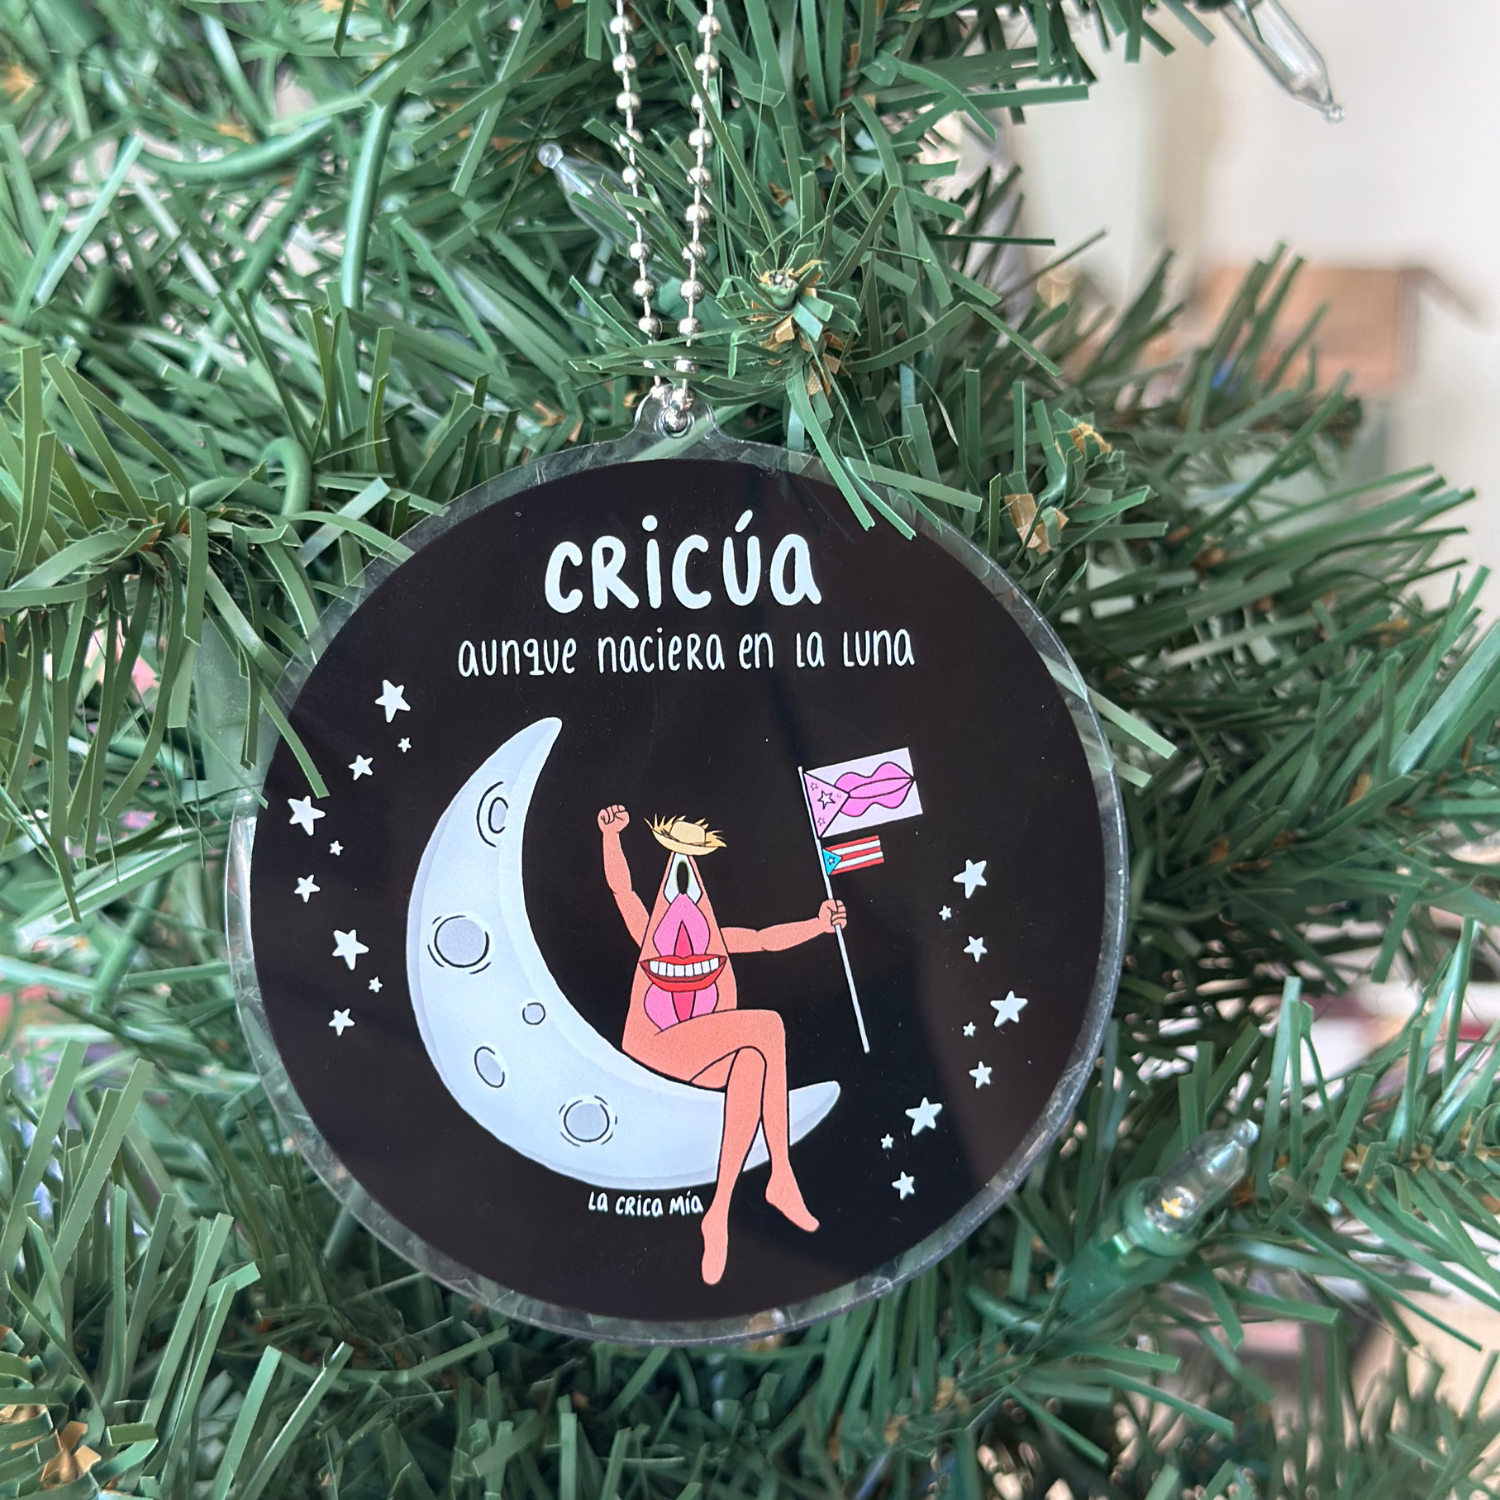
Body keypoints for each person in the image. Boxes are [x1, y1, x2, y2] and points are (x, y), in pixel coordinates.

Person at [597, 805, 847, 1285]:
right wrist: (611, 836)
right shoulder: (647, 934)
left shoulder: (718, 940)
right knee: (766, 1027)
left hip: (700, 1056)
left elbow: (766, 940)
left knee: (750, 1062)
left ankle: (719, 1210)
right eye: (678, 875)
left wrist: (818, 925)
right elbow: (622, 890)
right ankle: (782, 1172)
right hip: (653, 1049)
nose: (684, 900)